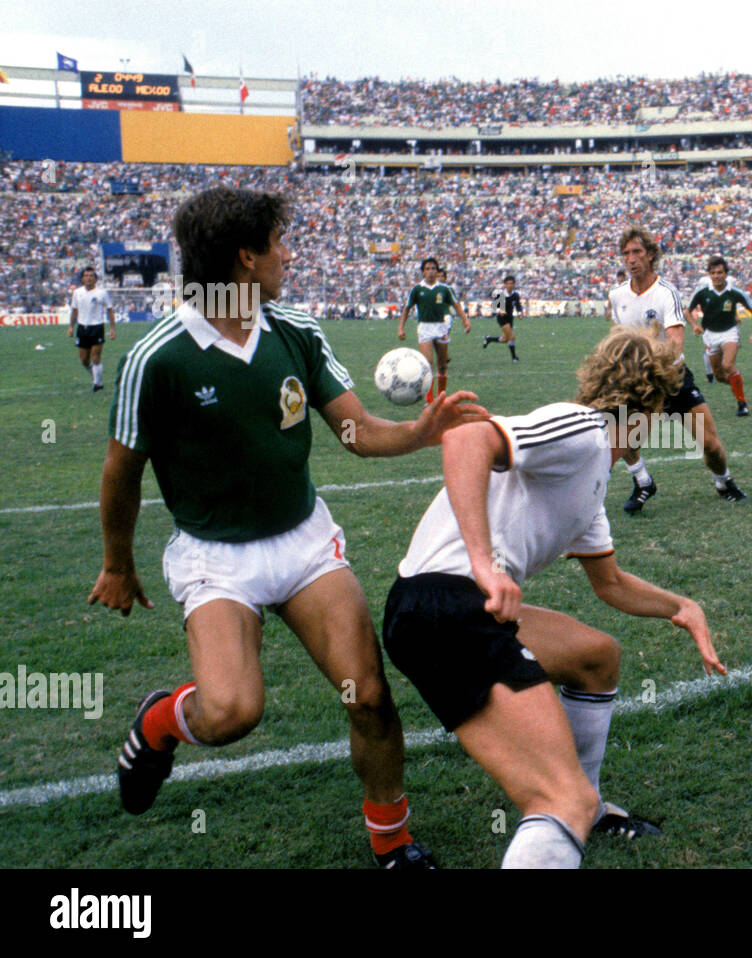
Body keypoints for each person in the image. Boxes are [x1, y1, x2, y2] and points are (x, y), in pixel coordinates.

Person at [89, 187, 486, 868]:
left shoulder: (295, 329)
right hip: (215, 560)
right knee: (231, 712)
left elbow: (355, 431)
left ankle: (392, 842)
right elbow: (122, 471)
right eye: (279, 242)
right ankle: (161, 719)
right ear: (246, 258)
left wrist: (420, 433)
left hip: (304, 545)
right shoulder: (157, 357)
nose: (289, 254)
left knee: (368, 696)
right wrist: (118, 565)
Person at [382, 326, 726, 867]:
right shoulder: (584, 430)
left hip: (439, 607)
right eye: (660, 411)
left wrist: (683, 607)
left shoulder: (594, 479)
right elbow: (467, 439)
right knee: (559, 799)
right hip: (445, 605)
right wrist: (483, 563)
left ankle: (587, 807)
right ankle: (574, 805)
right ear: (647, 406)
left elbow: (609, 583)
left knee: (597, 656)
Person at [607, 227, 747, 511]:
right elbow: (617, 334)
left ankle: (723, 481)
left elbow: (675, 344)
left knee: (711, 445)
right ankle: (643, 480)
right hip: (636, 380)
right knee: (617, 432)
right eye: (626, 253)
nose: (631, 259)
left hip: (671, 378)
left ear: (650, 256)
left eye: (637, 252)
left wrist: (649, 367)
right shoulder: (616, 295)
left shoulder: (665, 292)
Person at [688, 256, 752, 416]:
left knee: (728, 365)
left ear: (725, 274)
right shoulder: (702, 292)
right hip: (710, 334)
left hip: (730, 332)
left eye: (720, 272)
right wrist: (695, 325)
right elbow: (687, 310)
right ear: (709, 274)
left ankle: (742, 404)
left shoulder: (735, 292)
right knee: (720, 376)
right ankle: (737, 384)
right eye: (713, 273)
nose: (716, 276)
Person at [397, 257, 473, 403]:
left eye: (433, 269)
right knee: (427, 364)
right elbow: (407, 309)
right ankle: (429, 399)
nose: (430, 271)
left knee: (442, 365)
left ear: (437, 271)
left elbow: (456, 305)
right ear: (423, 272)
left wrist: (465, 320)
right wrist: (401, 328)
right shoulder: (417, 289)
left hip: (441, 328)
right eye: (427, 269)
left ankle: (441, 396)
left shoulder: (445, 289)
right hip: (425, 328)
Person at [68, 266, 116, 392]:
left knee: (95, 357)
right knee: (84, 360)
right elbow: (74, 311)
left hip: (97, 327)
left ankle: (98, 384)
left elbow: (110, 310)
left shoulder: (102, 293)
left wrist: (112, 328)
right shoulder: (77, 293)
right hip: (82, 328)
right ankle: (96, 377)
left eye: (91, 276)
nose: (89, 278)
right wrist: (71, 327)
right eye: (86, 275)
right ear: (82, 279)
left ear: (95, 279)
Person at [483, 274, 523, 361]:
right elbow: (494, 306)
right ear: (505, 284)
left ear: (514, 284)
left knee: (505, 339)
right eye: (508, 283)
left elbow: (518, 305)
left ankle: (489, 339)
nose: (510, 285)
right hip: (502, 318)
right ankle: (514, 358)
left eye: (511, 283)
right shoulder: (501, 294)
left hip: (510, 318)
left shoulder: (515, 295)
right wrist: (499, 311)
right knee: (512, 337)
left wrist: (519, 313)